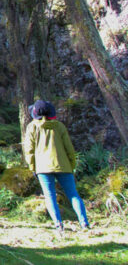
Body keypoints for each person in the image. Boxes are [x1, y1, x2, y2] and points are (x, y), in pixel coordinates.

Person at [24, 100, 90, 234]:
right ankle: (84, 223)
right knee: (73, 195)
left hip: (42, 168)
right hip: (63, 166)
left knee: (50, 196)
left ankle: (58, 225)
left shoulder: (32, 127)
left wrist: (33, 167)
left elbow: (29, 151)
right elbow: (69, 149)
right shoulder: (59, 126)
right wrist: (71, 165)